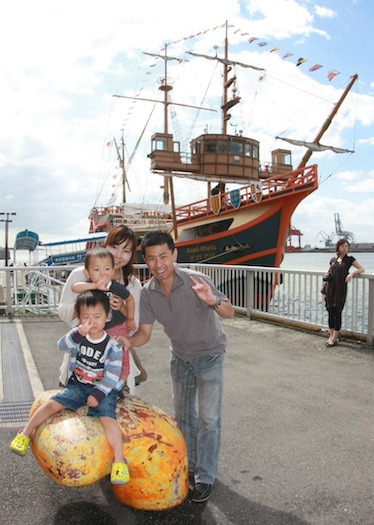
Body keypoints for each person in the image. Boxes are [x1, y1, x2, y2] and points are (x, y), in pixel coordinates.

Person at [122, 230, 234, 503]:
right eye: (151, 258)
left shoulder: (198, 280)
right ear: (145, 261)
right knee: (183, 417)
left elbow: (229, 311)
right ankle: (191, 466)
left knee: (209, 419)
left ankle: (205, 476)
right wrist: (123, 342)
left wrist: (213, 301)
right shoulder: (148, 294)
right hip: (180, 359)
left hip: (210, 356)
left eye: (163, 256)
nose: (158, 264)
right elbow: (144, 334)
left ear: (174, 254)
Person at [10, 290, 130, 485]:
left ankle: (119, 459)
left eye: (97, 317)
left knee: (108, 419)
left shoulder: (112, 346)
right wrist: (76, 333)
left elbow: (113, 374)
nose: (92, 322)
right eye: (86, 317)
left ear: (108, 316)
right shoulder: (78, 337)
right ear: (80, 318)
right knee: (51, 404)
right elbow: (61, 345)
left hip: (103, 389)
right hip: (78, 385)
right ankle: (25, 433)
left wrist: (99, 394)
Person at [57, 225, 146, 393]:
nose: (119, 255)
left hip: (115, 361)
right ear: (105, 245)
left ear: (132, 255)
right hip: (82, 359)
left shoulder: (132, 284)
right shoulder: (80, 275)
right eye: (114, 247)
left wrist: (123, 308)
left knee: (116, 412)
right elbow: (62, 310)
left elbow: (135, 323)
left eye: (126, 250)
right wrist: (87, 310)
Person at [72, 247, 135, 387]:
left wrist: (130, 319)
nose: (102, 274)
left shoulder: (115, 286)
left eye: (107, 269)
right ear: (87, 273)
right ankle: (96, 381)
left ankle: (121, 382)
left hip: (118, 326)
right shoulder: (89, 286)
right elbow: (75, 287)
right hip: (97, 329)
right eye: (96, 270)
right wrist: (94, 285)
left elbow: (130, 299)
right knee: (97, 355)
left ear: (113, 270)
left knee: (121, 353)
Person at [323, 239, 364, 347]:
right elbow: (329, 271)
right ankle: (331, 336)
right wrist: (326, 276)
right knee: (330, 311)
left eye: (346, 246)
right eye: (343, 246)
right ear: (338, 247)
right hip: (330, 288)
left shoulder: (349, 259)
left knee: (338, 311)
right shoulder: (333, 259)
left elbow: (361, 269)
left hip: (340, 289)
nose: (345, 248)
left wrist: (351, 274)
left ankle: (334, 338)